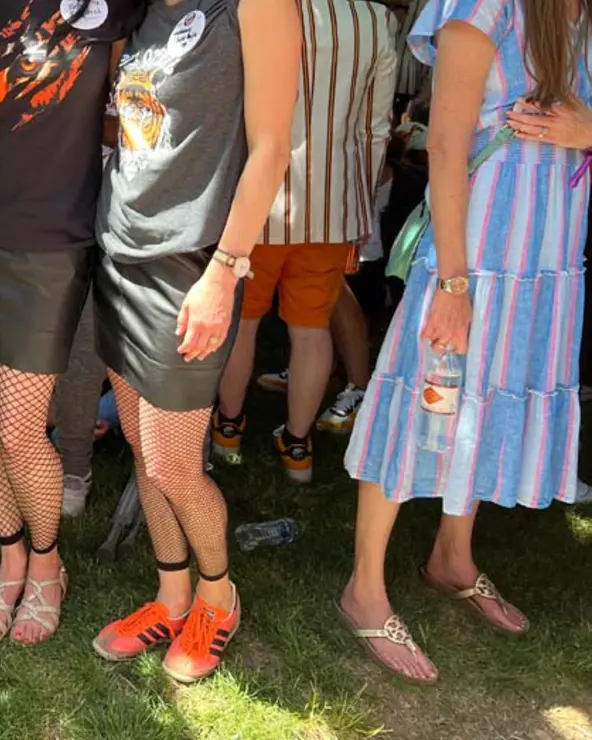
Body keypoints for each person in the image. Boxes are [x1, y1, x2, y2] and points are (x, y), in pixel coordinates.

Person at [339, 0, 591, 684]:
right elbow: (445, 142)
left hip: (546, 261)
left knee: (485, 401)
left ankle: (454, 555)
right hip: (475, 258)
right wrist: (453, 283)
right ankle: (364, 586)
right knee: (424, 398)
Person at [86, 0, 299, 683]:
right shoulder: (147, 12)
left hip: (191, 262)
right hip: (120, 251)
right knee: (146, 460)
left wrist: (226, 270)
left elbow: (271, 145)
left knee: (176, 464)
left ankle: (218, 597)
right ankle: (171, 595)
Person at [0, 0, 134, 646]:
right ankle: (11, 557)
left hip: (52, 235)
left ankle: (49, 566)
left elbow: (131, 107)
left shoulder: (110, 8)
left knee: (20, 426)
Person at [211, 0, 397, 482]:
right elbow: (377, 129)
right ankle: (297, 447)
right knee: (311, 328)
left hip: (259, 200)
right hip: (333, 204)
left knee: (243, 323)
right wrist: (362, 202)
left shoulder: (258, 7)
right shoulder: (377, 19)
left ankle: (228, 428)